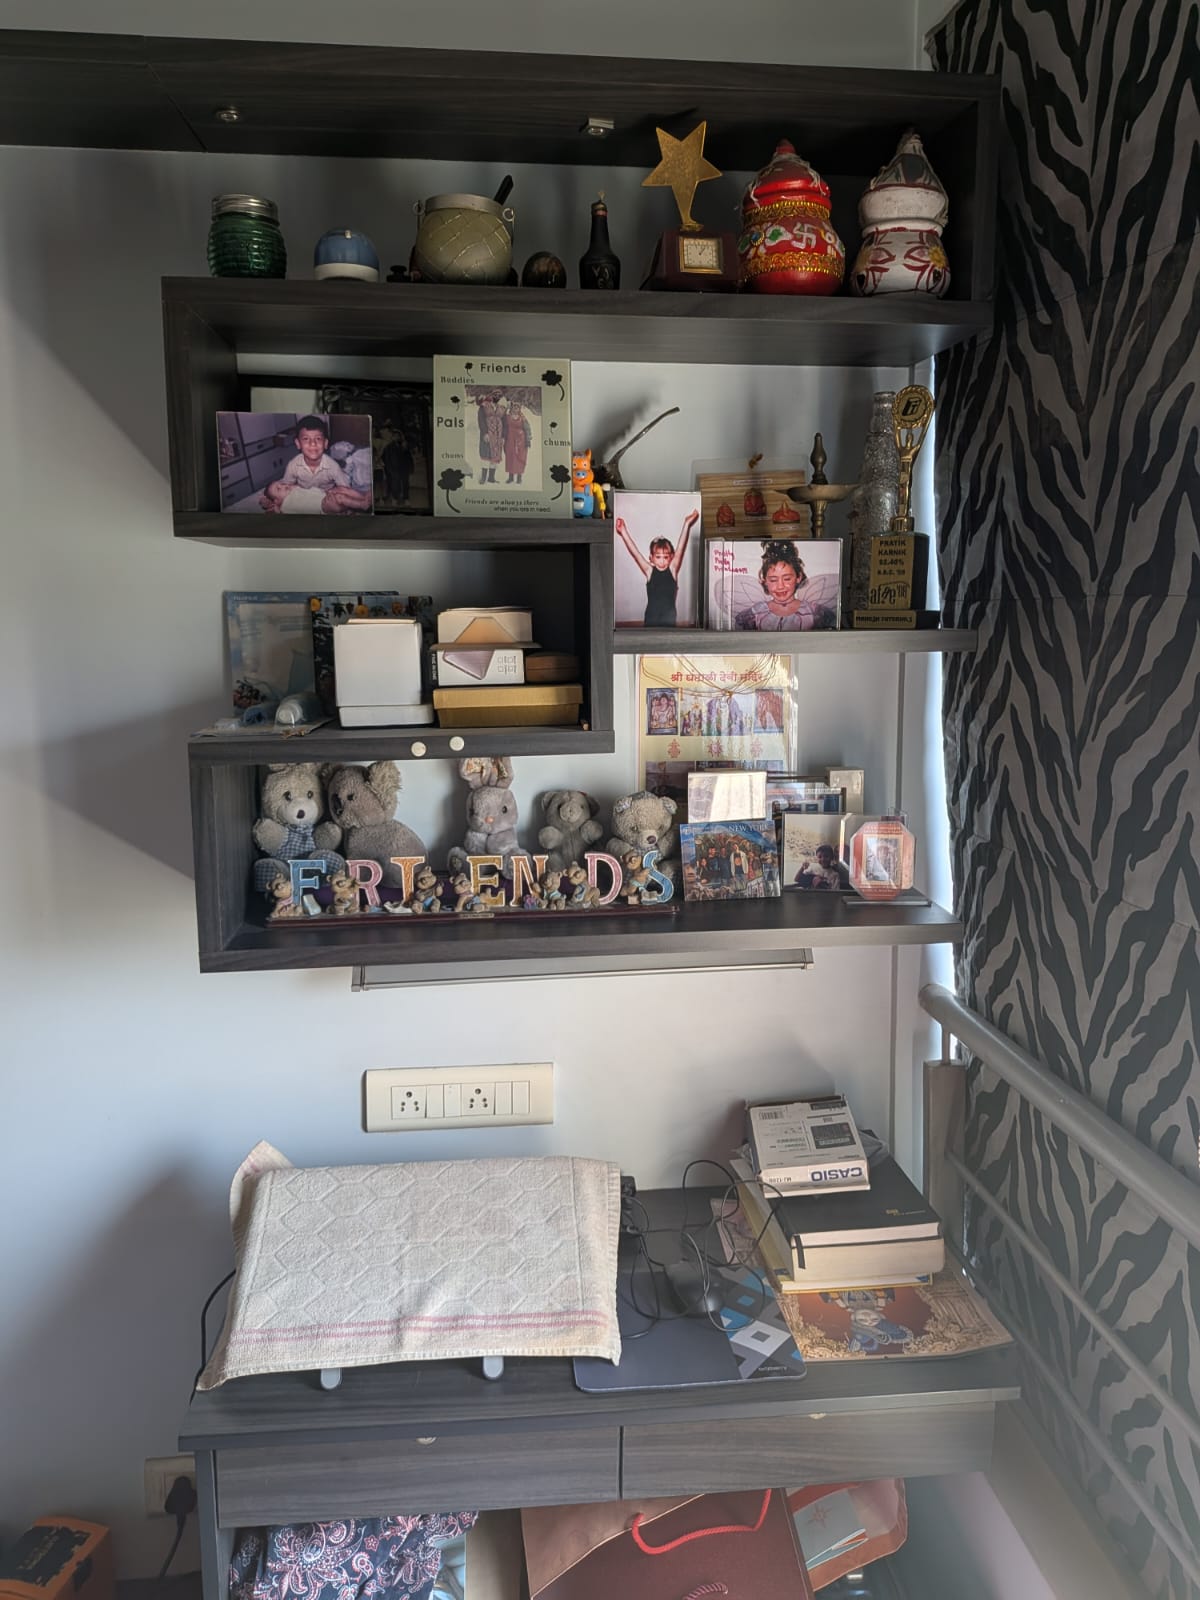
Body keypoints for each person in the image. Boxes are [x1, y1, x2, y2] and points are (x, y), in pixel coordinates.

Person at [616, 506, 699, 626]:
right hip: (651, 619)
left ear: (671, 557)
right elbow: (636, 554)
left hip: (669, 620)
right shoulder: (649, 571)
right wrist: (623, 531)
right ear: (651, 558)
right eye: (658, 557)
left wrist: (686, 524)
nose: (662, 561)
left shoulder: (672, 569)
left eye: (666, 557)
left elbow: (680, 548)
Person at [734, 539, 838, 631]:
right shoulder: (755, 614)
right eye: (773, 580)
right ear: (765, 581)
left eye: (787, 579)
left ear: (798, 577)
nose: (780, 586)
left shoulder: (815, 613)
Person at [261, 415, 354, 512]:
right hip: (304, 498)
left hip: (325, 498)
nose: (312, 443)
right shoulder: (293, 465)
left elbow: (346, 489)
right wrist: (268, 499)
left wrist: (338, 497)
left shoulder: (333, 466)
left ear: (325, 443)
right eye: (306, 439)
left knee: (339, 502)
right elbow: (285, 486)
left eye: (318, 438)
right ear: (298, 443)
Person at [325, 438, 375, 512]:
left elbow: (350, 448)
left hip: (366, 484)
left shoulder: (360, 454)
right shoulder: (338, 468)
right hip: (359, 487)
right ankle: (364, 501)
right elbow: (345, 481)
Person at [476, 394, 503, 484]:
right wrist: (485, 433)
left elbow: (503, 421)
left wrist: (503, 436)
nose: (496, 397)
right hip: (487, 435)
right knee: (486, 455)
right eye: (495, 395)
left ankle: (491, 478)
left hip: (497, 436)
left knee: (494, 456)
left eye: (499, 396)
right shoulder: (483, 407)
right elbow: (481, 420)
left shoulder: (500, 407)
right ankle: (483, 478)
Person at [503, 399, 531, 484]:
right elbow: (503, 422)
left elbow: (527, 429)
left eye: (517, 407)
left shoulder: (522, 418)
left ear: (519, 409)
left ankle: (519, 478)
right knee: (510, 458)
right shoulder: (508, 417)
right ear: (511, 408)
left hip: (520, 441)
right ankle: (510, 477)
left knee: (520, 458)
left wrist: (528, 440)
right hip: (510, 440)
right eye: (514, 407)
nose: (515, 408)